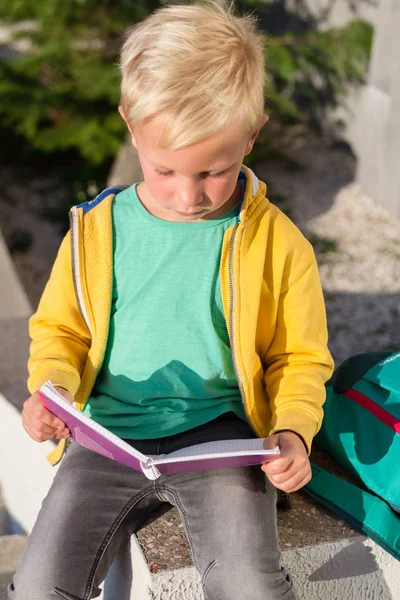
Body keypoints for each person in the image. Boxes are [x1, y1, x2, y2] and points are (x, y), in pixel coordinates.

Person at [9, 2, 334, 599]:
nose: (190, 197)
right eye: (164, 171)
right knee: (38, 585)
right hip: (108, 439)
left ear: (253, 133)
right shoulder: (94, 233)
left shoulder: (280, 244)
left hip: (221, 440)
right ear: (131, 125)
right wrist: (52, 388)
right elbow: (61, 333)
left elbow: (300, 358)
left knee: (249, 585)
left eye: (216, 171)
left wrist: (293, 430)